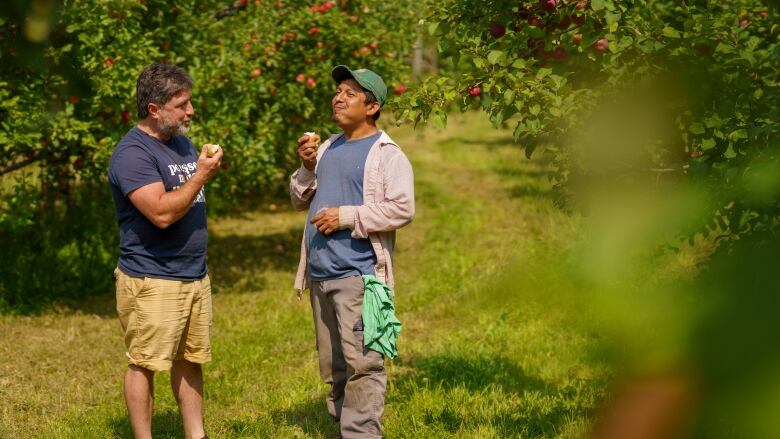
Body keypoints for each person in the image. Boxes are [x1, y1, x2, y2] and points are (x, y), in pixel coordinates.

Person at [289, 65, 415, 439]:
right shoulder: (328, 147)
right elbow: (300, 199)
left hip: (359, 276)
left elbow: (402, 209)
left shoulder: (386, 154)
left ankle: (361, 434)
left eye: (349, 93)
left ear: (372, 106)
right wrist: (307, 167)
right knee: (334, 368)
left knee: (363, 364)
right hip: (321, 274)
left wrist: (347, 217)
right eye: (338, 91)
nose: (338, 97)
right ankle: (345, 428)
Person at [108, 63, 223, 439]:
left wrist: (199, 172)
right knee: (144, 363)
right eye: (182, 104)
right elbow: (160, 213)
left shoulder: (181, 143)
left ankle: (196, 435)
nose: (190, 111)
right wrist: (202, 175)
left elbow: (185, 196)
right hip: (152, 277)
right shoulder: (132, 154)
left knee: (190, 360)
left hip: (193, 274)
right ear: (154, 109)